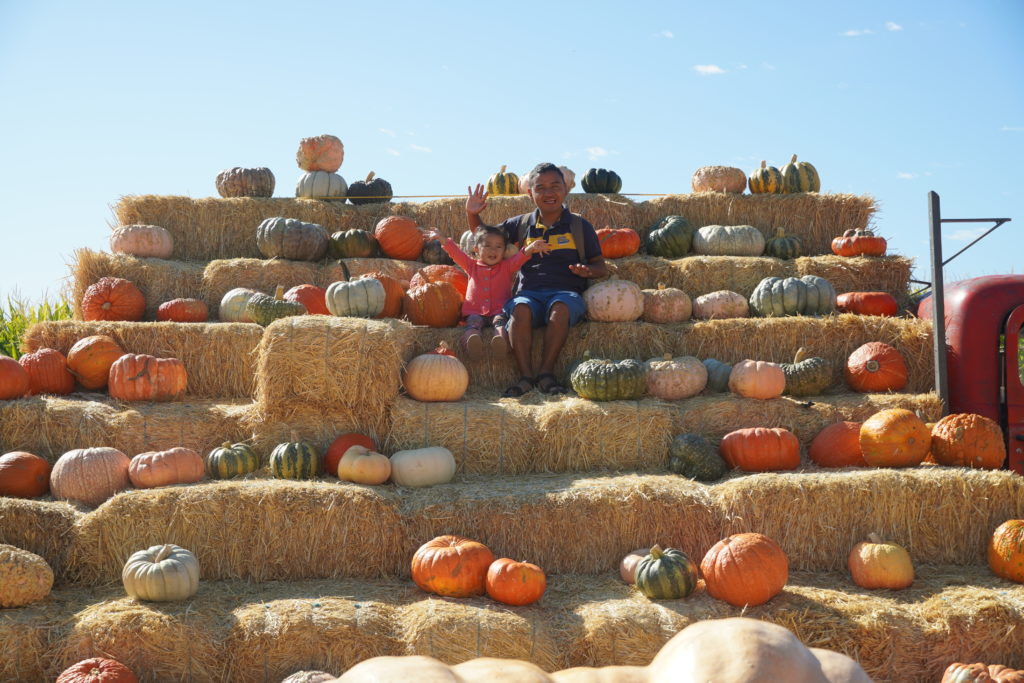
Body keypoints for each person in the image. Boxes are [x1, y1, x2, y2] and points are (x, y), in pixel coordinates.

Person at [466, 162, 608, 397]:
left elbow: (600, 265)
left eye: (555, 186)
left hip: (566, 293)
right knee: (520, 310)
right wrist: (472, 213)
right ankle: (525, 377)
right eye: (540, 188)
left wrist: (587, 271)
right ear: (530, 193)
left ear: (565, 189)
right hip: (529, 293)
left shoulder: (579, 226)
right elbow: (484, 239)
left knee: (560, 310)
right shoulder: (521, 225)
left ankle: (546, 373)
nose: (548, 193)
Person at [425, 226, 550, 360]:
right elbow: (455, 253)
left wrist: (531, 247)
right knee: (473, 325)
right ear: (477, 249)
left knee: (500, 324)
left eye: (498, 247)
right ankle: (472, 344)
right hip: (475, 311)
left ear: (504, 251)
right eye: (488, 245)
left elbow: (520, 257)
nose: (493, 250)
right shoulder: (471, 265)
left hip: (499, 310)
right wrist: (443, 240)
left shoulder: (507, 266)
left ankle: (501, 344)